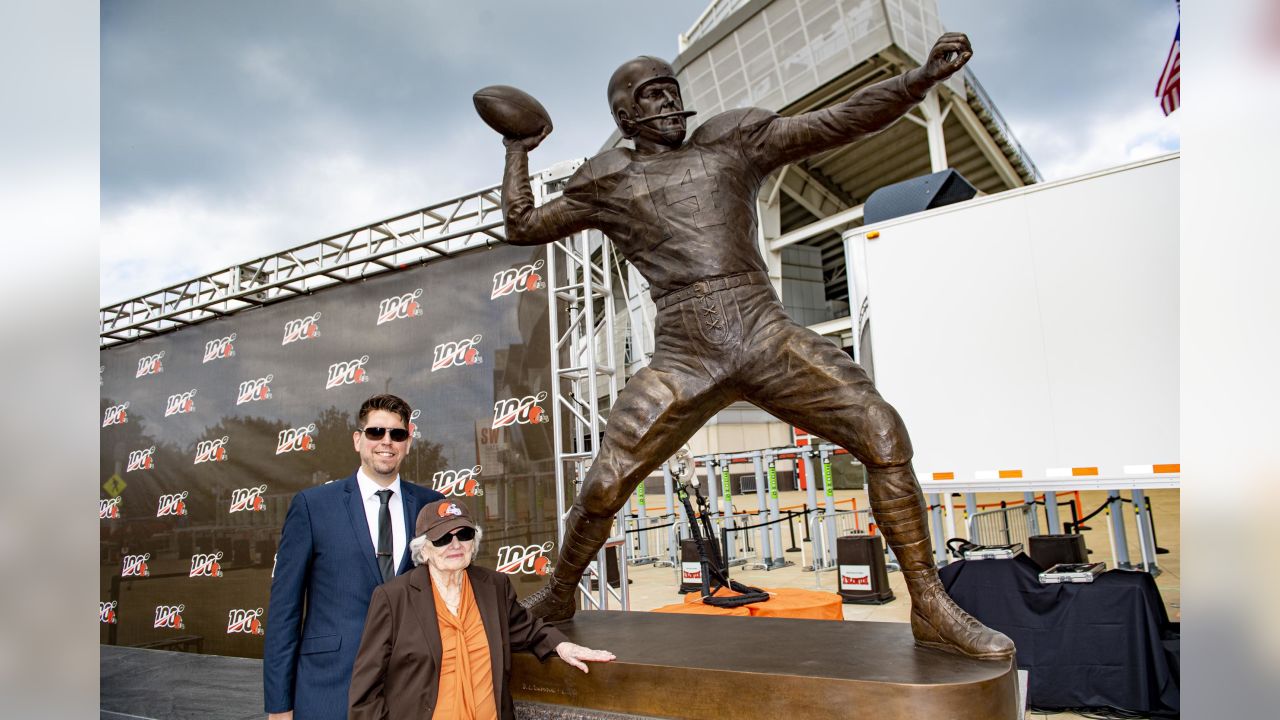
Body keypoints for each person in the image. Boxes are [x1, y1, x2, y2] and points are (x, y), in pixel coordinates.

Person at [496, 33, 1014, 660]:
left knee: (882, 431)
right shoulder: (610, 179)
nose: (667, 102)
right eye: (650, 95)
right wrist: (517, 149)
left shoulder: (730, 142)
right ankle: (557, 593)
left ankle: (929, 602)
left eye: (671, 91)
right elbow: (522, 225)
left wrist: (917, 80)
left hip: (760, 325)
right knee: (605, 484)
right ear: (624, 116)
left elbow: (833, 124)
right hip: (684, 347)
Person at [264, 394, 446, 720]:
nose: (386, 442)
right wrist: (279, 706)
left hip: (413, 689)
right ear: (357, 439)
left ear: (407, 442)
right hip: (330, 687)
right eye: (376, 432)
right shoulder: (313, 506)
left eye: (397, 434)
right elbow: (284, 612)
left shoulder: (430, 505)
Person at [349, 500, 614, 719]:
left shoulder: (493, 587)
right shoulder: (393, 598)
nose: (455, 545)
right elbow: (364, 694)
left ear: (473, 543)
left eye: (464, 535)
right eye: (443, 539)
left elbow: (527, 628)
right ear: (424, 550)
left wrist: (563, 646)